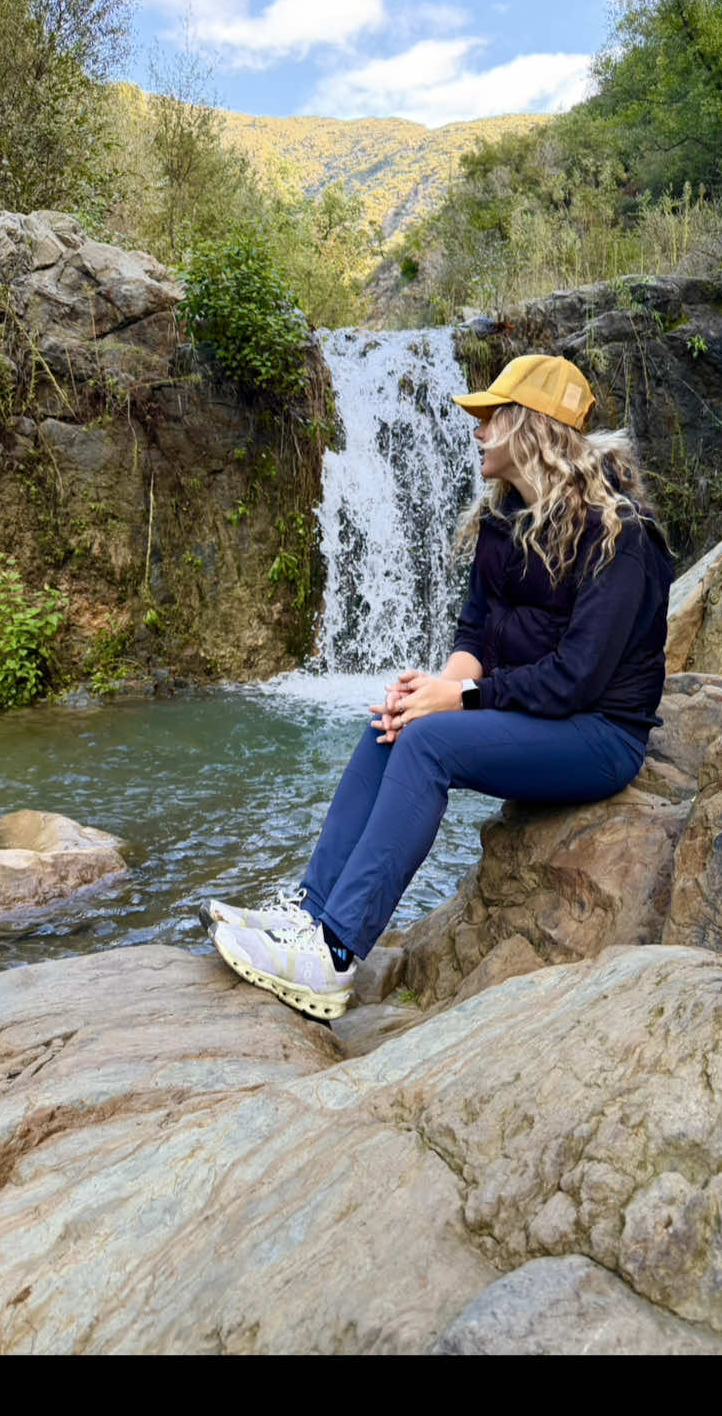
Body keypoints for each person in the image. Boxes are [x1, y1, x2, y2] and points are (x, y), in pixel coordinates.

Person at [207, 354, 675, 1020]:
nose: (477, 431)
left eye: (491, 417)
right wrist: (437, 688)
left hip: (600, 735)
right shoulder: (504, 519)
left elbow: (578, 678)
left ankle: (334, 956)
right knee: (393, 723)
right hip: (538, 717)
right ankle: (310, 914)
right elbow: (475, 632)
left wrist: (460, 701)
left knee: (428, 745)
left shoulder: (620, 534)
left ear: (531, 427)